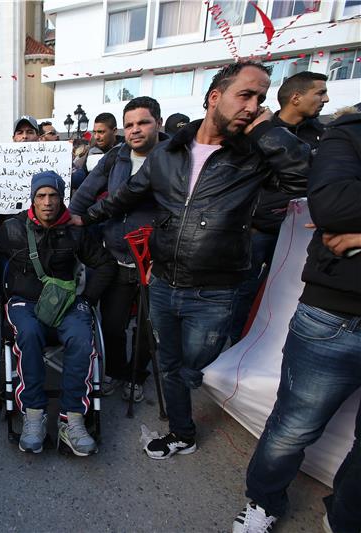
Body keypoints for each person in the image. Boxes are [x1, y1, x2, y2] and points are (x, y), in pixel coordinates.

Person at [72, 61, 310, 459]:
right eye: (246, 95)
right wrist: (84, 216)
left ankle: (187, 394)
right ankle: (182, 432)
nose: (254, 106)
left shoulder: (254, 153)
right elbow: (127, 194)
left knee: (193, 366)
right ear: (215, 97)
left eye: (261, 99)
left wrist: (270, 131)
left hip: (215, 292)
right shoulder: (168, 153)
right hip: (163, 281)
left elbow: (306, 177)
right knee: (169, 364)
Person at [232, 111, 360, 533]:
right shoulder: (349, 133)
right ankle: (263, 502)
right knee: (293, 427)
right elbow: (335, 204)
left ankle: (344, 515)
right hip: (337, 316)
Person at [0, 171, 116, 456]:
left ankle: (72, 420)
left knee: (82, 338)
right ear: (32, 199)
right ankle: (33, 415)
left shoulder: (75, 231)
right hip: (25, 304)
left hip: (66, 304)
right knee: (28, 334)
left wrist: (87, 299)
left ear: (62, 198)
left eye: (53, 196)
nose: (47, 202)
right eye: (41, 196)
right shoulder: (13, 229)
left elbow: (106, 264)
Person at [71, 96, 168, 403]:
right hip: (114, 255)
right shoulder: (116, 155)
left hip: (156, 261)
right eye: (129, 125)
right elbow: (87, 189)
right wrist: (69, 219)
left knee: (147, 329)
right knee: (112, 325)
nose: (135, 130)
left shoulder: (173, 157)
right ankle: (115, 370)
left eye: (143, 123)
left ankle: (137, 376)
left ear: (159, 123)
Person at [229, 71, 329, 344]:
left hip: (300, 235)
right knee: (243, 294)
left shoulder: (322, 137)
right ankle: (235, 350)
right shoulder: (254, 129)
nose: (326, 99)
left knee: (283, 298)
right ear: (296, 97)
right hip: (256, 231)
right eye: (319, 93)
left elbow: (311, 178)